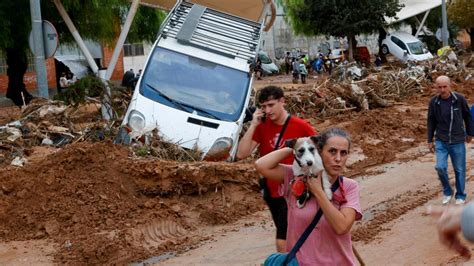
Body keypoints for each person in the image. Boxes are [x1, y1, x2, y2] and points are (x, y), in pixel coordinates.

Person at [255, 128, 362, 264]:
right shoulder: (294, 178)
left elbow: (341, 227)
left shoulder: (349, 187)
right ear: (318, 152)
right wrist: (298, 145)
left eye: (344, 153)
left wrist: (318, 191)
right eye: (332, 151)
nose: (338, 159)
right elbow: (261, 165)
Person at [236, 86, 316, 252]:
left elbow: (317, 154)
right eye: (264, 107)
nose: (268, 110)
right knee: (289, 235)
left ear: (282, 101)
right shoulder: (262, 127)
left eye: (271, 105)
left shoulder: (301, 127)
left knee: (283, 239)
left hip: (296, 190)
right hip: (272, 190)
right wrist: (253, 125)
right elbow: (242, 154)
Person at [427, 75, 474, 205]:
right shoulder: (434, 102)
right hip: (441, 140)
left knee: (459, 169)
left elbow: (467, 116)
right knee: (440, 167)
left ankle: (460, 195)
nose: (442, 90)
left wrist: (470, 133)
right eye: (439, 87)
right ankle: (448, 191)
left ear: (450, 85)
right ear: (436, 87)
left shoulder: (459, 99)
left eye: (445, 86)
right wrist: (429, 139)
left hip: (457, 140)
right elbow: (431, 120)